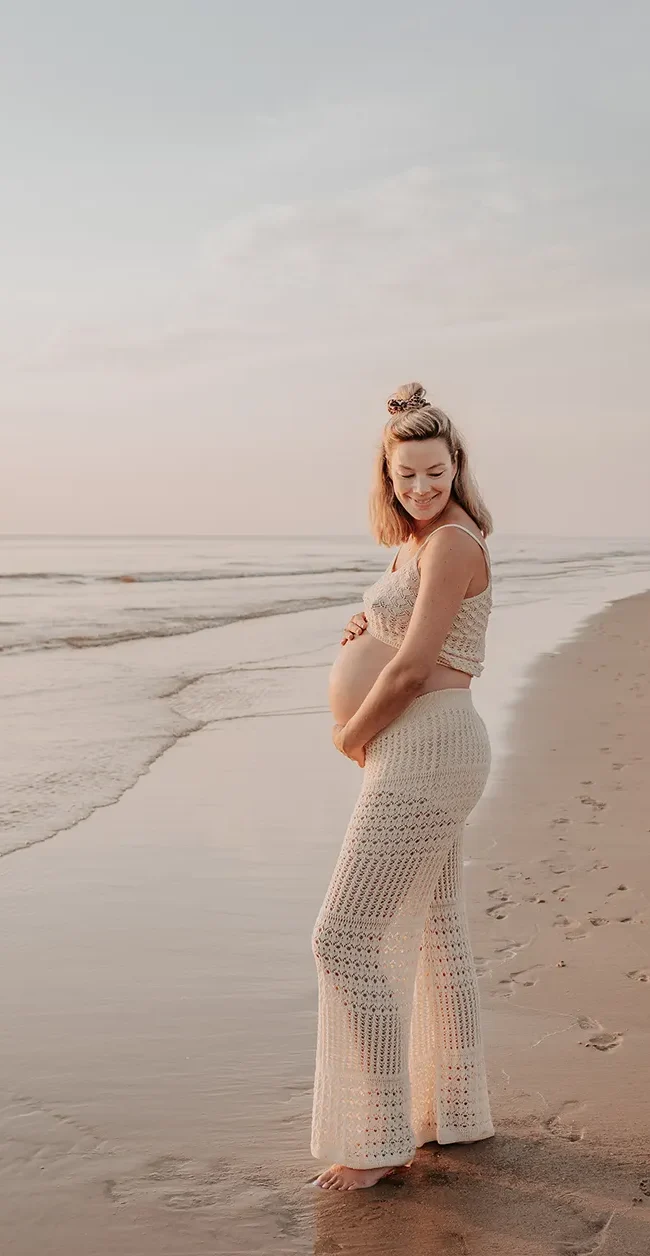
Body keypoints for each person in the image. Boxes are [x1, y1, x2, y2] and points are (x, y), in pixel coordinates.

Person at [310, 381, 494, 1191]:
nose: (421, 487)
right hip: (421, 749)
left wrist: (350, 733)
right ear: (386, 477)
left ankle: (380, 1137)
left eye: (434, 472)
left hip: (427, 749)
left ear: (458, 465)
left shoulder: (451, 542)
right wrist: (365, 627)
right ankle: (454, 1111)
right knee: (437, 932)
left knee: (342, 938)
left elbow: (417, 668)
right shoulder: (416, 542)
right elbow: (403, 635)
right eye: (405, 475)